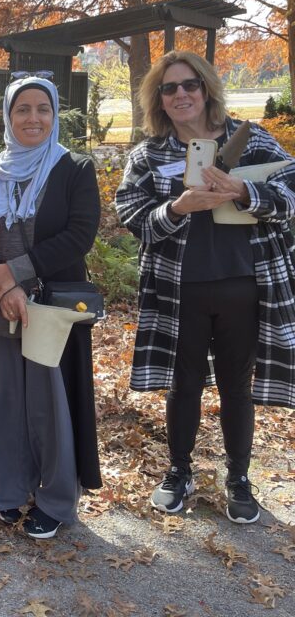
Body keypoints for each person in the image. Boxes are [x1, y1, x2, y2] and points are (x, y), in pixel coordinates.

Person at [115, 50, 295, 524]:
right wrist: (178, 208)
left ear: (207, 88)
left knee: (237, 386)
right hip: (179, 290)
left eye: (189, 85)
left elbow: (293, 195)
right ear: (158, 98)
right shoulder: (149, 154)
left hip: (246, 285)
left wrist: (244, 192)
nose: (180, 95)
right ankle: (179, 471)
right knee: (184, 384)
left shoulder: (252, 141)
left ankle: (238, 477)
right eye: (168, 88)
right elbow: (131, 215)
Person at [0, 74, 101, 540]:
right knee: (0, 402)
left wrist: (17, 272)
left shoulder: (74, 169)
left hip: (51, 308)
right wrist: (4, 289)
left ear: (55, 114)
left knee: (49, 404)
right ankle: (7, 491)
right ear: (8, 115)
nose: (33, 118)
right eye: (23, 109)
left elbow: (79, 234)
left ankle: (56, 500)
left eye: (43, 108)